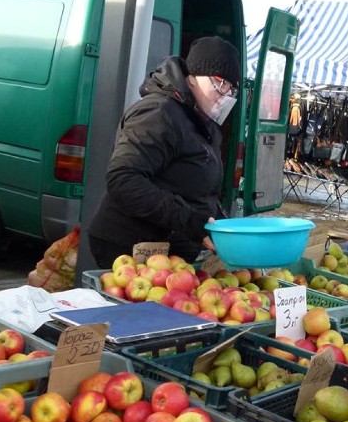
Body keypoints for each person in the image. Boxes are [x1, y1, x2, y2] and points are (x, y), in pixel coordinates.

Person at [88, 36, 241, 267]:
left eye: (231, 88)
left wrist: (222, 226)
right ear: (192, 78)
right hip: (130, 248)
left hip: (169, 254)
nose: (225, 93)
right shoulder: (159, 113)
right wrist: (189, 220)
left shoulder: (205, 124)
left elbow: (201, 191)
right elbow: (123, 179)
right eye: (220, 82)